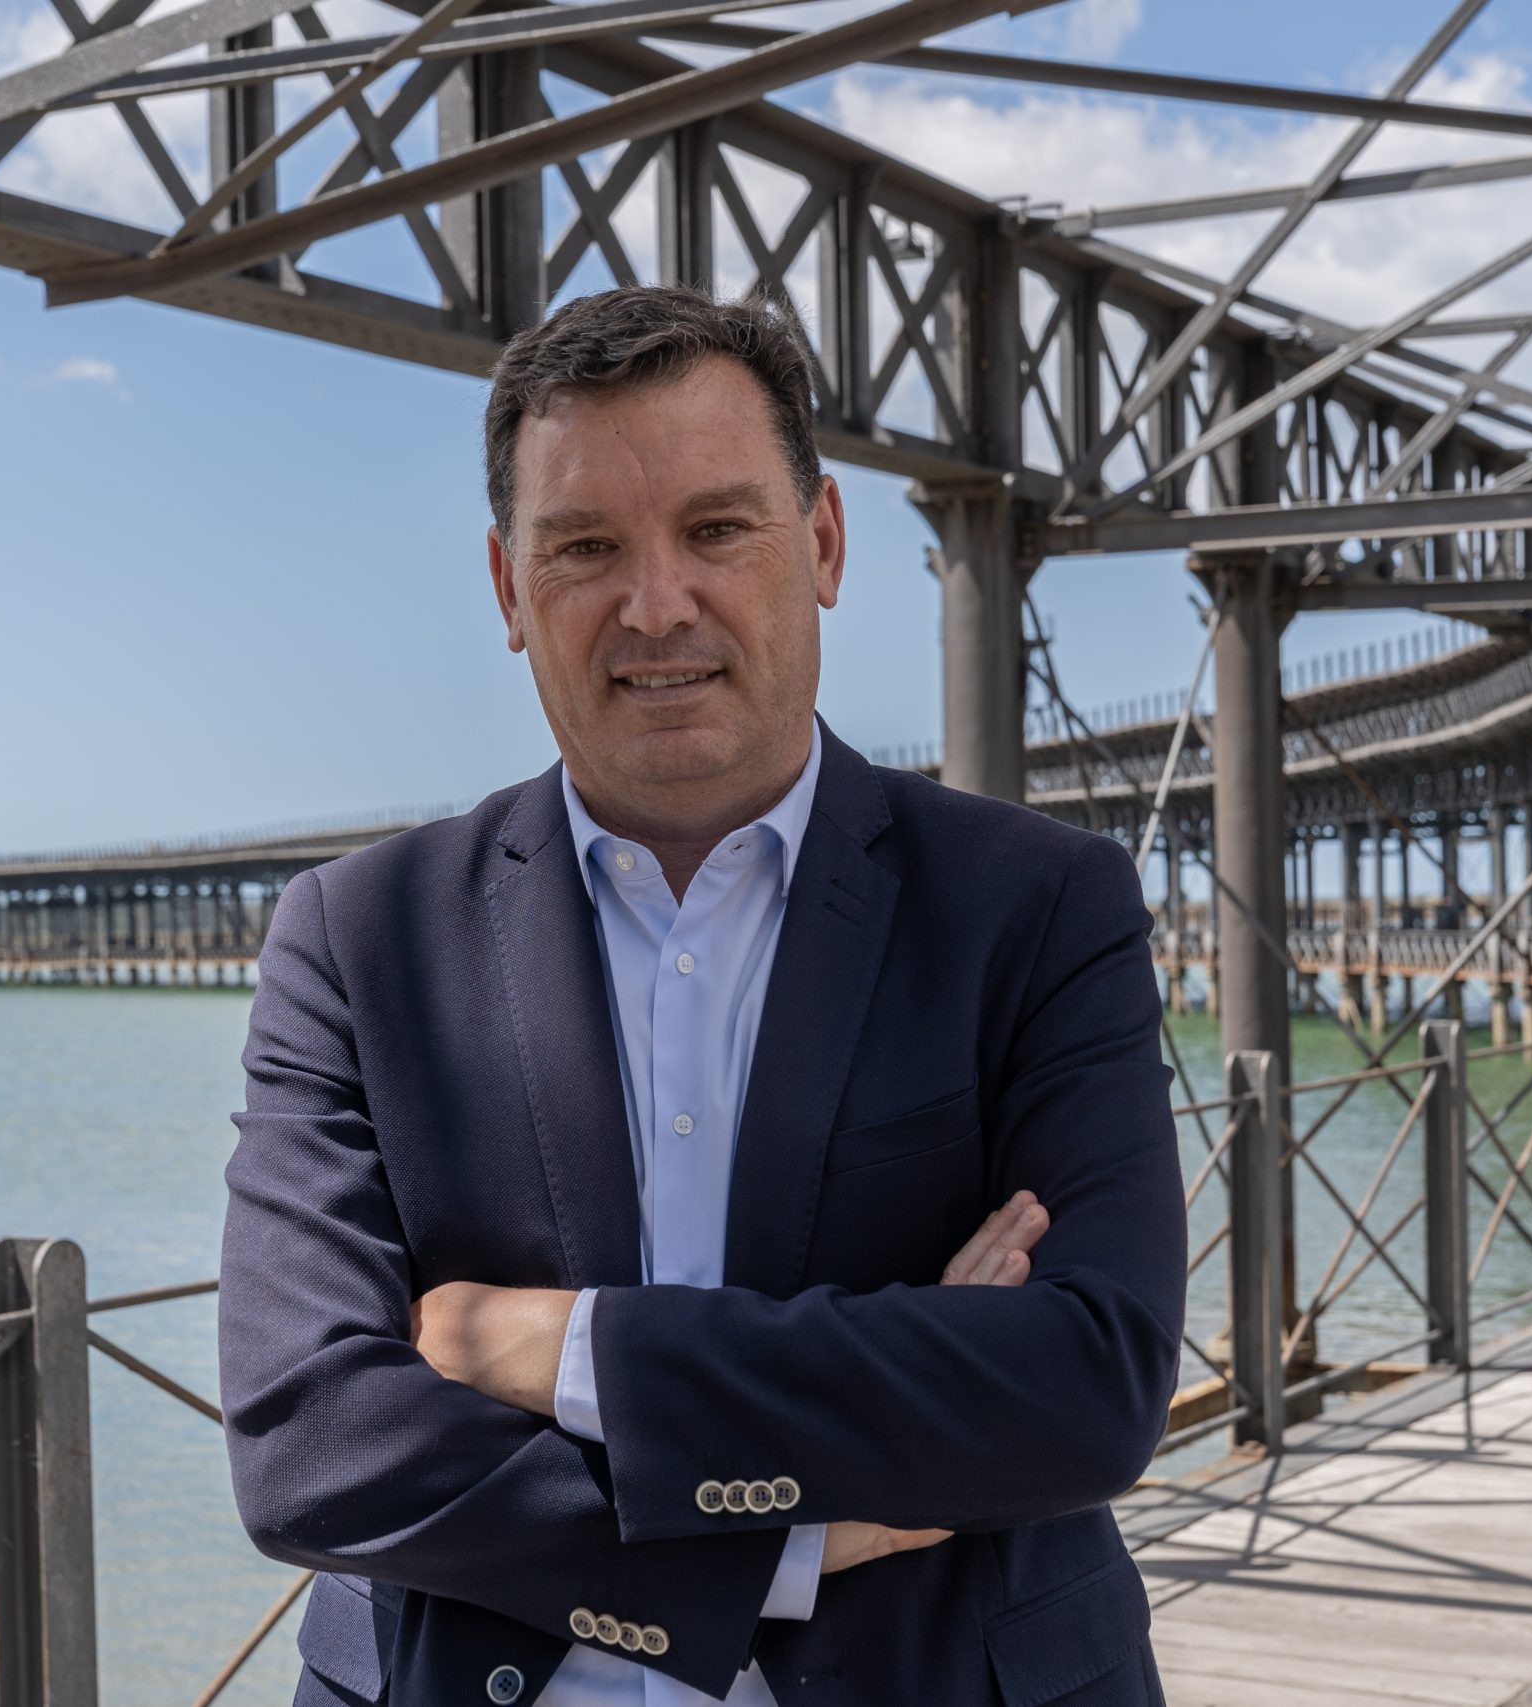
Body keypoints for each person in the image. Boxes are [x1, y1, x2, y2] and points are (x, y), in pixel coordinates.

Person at [220, 284, 1185, 1707]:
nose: (656, 604)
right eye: (585, 548)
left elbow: (1088, 1387)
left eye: (718, 529)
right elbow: (307, 1442)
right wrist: (771, 1543)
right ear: (508, 590)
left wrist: (561, 1349)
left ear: (826, 543)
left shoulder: (1039, 909)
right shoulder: (356, 940)